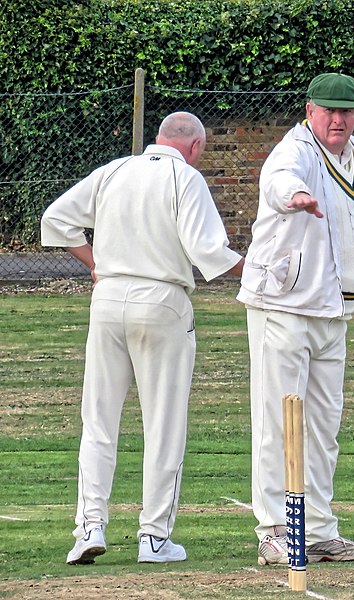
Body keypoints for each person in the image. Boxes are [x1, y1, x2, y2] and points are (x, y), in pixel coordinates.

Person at [41, 111, 244, 565]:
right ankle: (153, 537)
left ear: (158, 138)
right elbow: (208, 250)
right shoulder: (186, 180)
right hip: (163, 300)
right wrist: (260, 271)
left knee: (98, 420)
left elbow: (56, 218)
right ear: (194, 148)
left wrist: (94, 263)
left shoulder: (114, 171)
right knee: (164, 423)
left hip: (108, 300)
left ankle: (89, 527)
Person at [237, 73, 354, 565]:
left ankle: (318, 530)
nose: (338, 120)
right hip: (283, 307)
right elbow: (278, 179)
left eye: (347, 112)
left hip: (334, 308)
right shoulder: (294, 149)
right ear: (310, 109)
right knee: (280, 420)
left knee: (323, 426)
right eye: (329, 111)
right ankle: (276, 531)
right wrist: (294, 196)